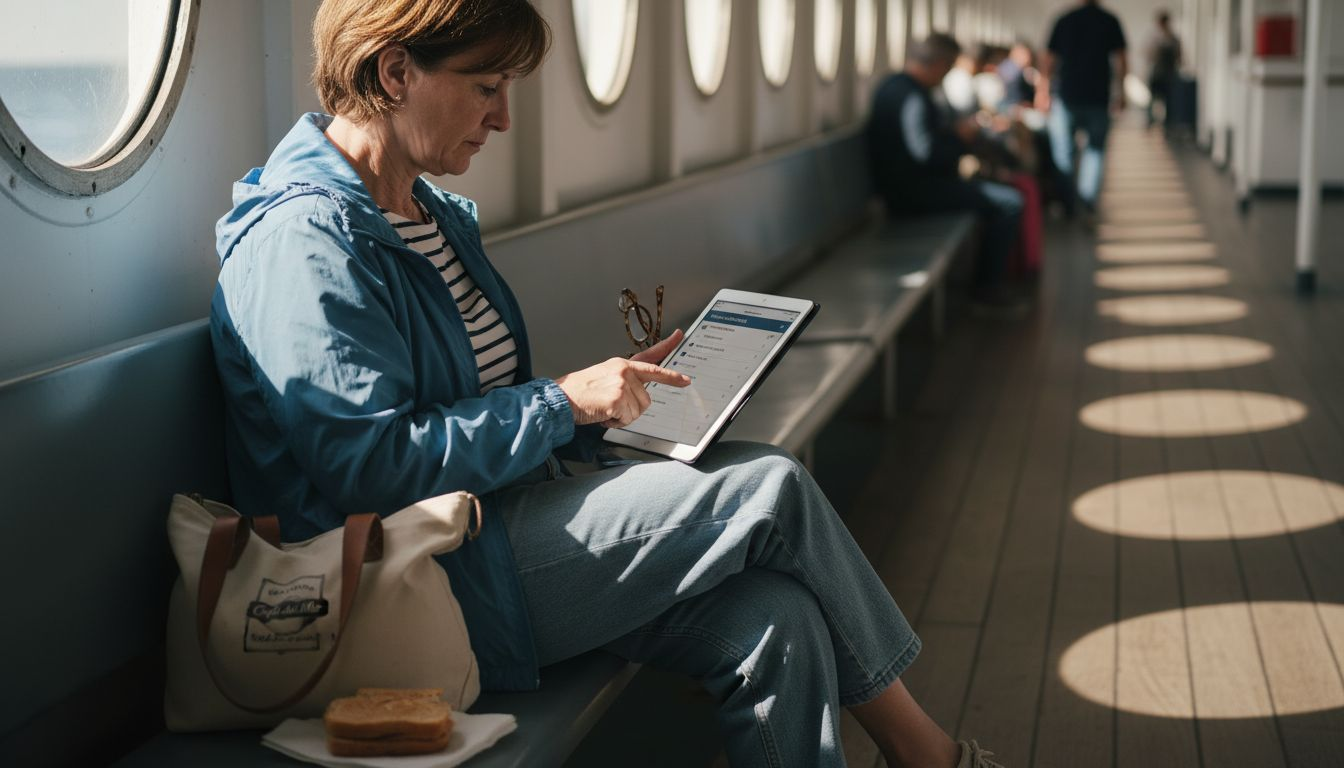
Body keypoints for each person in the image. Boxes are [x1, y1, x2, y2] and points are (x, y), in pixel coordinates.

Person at [208, 1, 1001, 766]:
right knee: (769, 486)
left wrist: (608, 406)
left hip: (501, 531)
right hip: (414, 579)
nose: (503, 118)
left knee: (777, 618)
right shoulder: (305, 241)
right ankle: (926, 754)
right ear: (394, 73)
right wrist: (559, 402)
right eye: (487, 88)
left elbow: (471, 407)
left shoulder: (426, 214)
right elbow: (368, 468)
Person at [868, 33, 1025, 310]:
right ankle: (987, 289)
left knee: (992, 192)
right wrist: (960, 137)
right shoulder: (913, 98)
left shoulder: (890, 85)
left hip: (901, 187)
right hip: (914, 194)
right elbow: (927, 153)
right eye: (949, 66)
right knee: (1010, 202)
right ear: (939, 64)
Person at [1037, 0, 1128, 216]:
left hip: (1067, 95)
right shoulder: (1109, 20)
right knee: (1094, 152)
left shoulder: (1064, 20)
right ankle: (1087, 201)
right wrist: (1121, 91)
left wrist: (1042, 91)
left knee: (1063, 154)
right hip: (1098, 97)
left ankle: (1068, 204)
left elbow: (1049, 59)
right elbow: (1121, 60)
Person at [1144, 10, 1183, 130]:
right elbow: (1147, 54)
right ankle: (1151, 121)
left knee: (1168, 101)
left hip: (1168, 74)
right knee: (1152, 100)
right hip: (1157, 73)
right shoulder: (1155, 38)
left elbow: (1179, 57)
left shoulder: (1173, 39)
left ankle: (1167, 125)